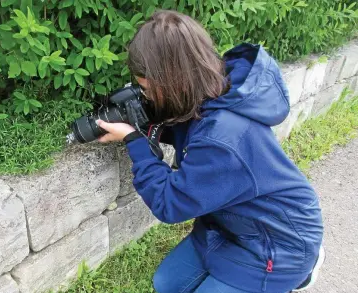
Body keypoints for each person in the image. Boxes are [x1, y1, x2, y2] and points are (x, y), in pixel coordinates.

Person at [96, 10, 325, 293]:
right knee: (165, 284)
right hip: (227, 225)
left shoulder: (223, 137)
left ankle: (296, 276)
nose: (147, 97)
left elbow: (171, 202)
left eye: (147, 89)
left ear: (172, 81)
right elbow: (185, 126)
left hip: (276, 247)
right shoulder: (212, 88)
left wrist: (134, 140)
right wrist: (140, 121)